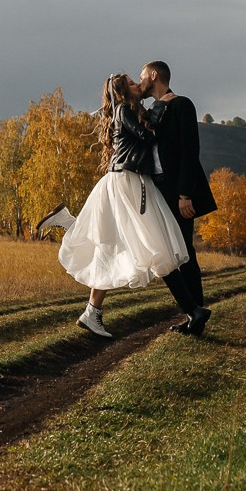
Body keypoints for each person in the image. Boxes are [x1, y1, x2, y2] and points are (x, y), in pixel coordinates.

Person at [44, 72, 190, 338]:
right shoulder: (125, 110)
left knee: (108, 244)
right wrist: (160, 105)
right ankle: (191, 310)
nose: (138, 85)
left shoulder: (126, 111)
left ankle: (92, 311)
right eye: (133, 84)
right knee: (132, 244)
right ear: (123, 92)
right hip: (126, 181)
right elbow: (148, 136)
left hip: (122, 179)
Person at [139, 60, 218, 336]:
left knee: (184, 252)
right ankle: (194, 313)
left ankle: (196, 314)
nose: (140, 83)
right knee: (167, 252)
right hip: (157, 189)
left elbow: (189, 151)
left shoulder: (183, 105)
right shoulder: (152, 110)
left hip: (177, 191)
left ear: (154, 74)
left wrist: (185, 194)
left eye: (142, 77)